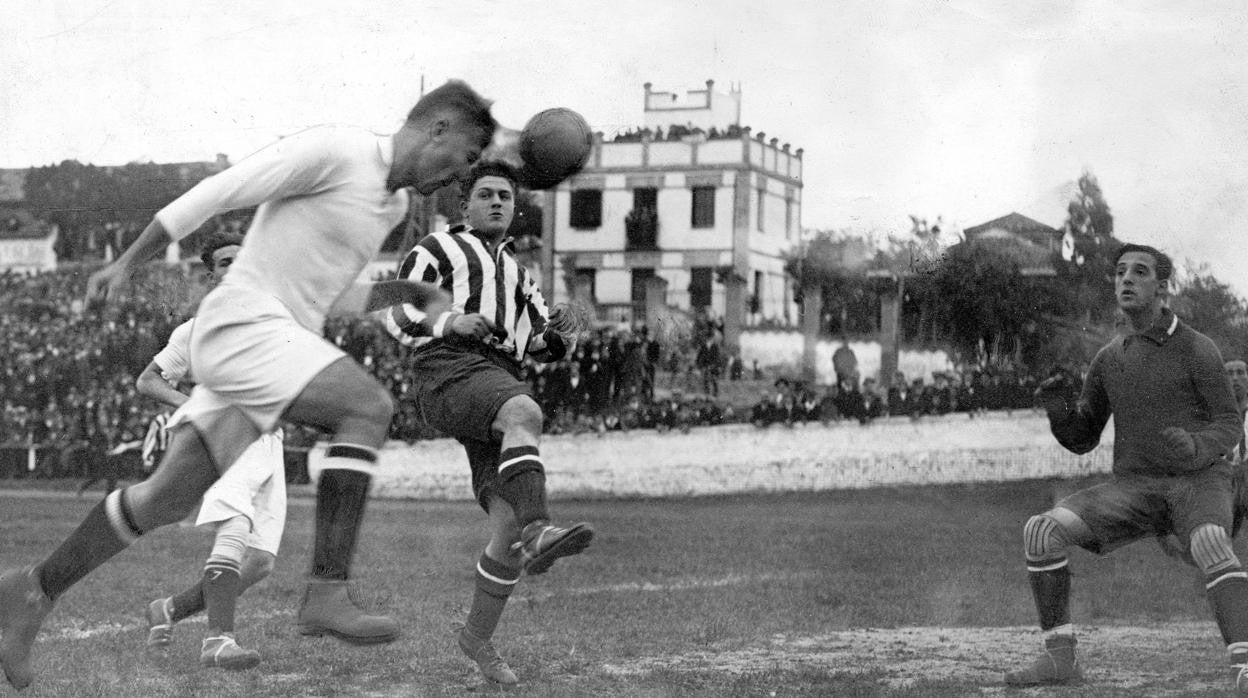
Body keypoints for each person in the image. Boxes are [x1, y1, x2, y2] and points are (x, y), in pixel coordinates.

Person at [0, 79, 494, 690]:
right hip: (241, 325)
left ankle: (30, 591)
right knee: (368, 407)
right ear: (438, 127)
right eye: (467, 158)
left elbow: (326, 295)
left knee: (163, 500)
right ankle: (326, 592)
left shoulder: (389, 208)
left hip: (270, 340)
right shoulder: (338, 150)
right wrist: (129, 260)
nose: (461, 176)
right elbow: (219, 191)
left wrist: (408, 293)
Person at [381, 160, 593, 686]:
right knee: (524, 412)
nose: (497, 202)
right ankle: (541, 529)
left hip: (494, 375)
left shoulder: (522, 275)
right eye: (486, 194)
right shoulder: (438, 250)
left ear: (515, 208)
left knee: (504, 522)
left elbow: (538, 344)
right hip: (446, 368)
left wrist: (565, 336)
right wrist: (452, 319)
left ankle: (477, 637)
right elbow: (396, 311)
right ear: (465, 206)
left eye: (505, 195)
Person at [1007, 244, 1248, 694]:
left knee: (1213, 541)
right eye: (1119, 272)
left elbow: (1230, 423)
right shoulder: (1109, 358)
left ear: (1161, 286)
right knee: (1040, 532)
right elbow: (1084, 439)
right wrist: (1058, 410)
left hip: (1198, 483)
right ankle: (1061, 659)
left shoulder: (1198, 348)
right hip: (1135, 488)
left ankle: (1244, 663)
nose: (1126, 280)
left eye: (1139, 272)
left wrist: (1196, 445)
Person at [135, 232, 287, 669]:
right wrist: (194, 404)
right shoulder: (194, 330)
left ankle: (168, 610)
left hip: (268, 440)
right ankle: (218, 639)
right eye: (225, 263)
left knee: (258, 563)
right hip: (223, 433)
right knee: (235, 522)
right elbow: (148, 380)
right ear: (211, 275)